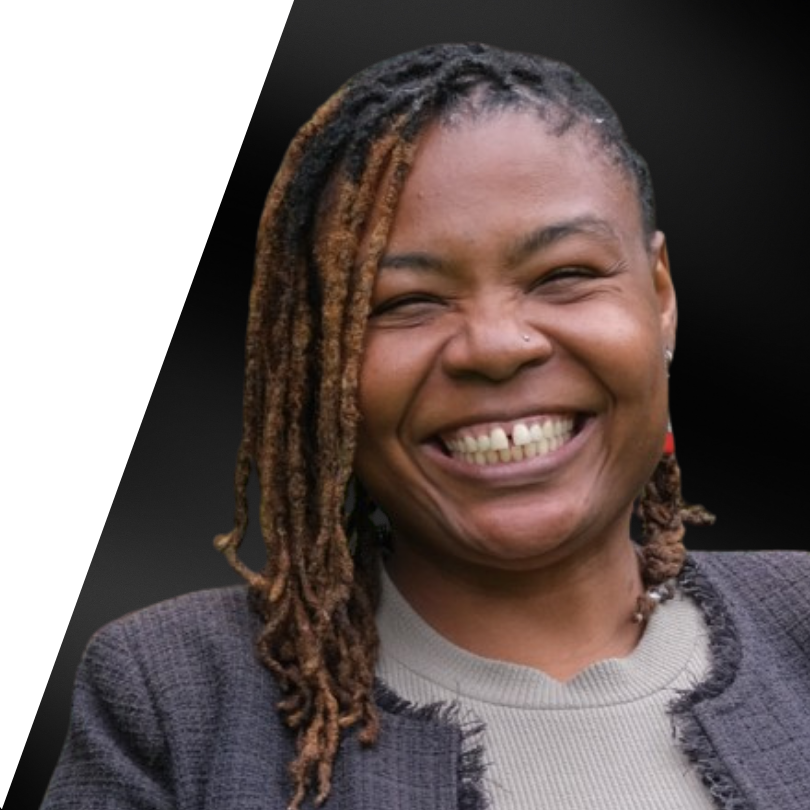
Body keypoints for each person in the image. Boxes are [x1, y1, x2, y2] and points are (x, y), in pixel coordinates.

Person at [41, 42, 810, 810]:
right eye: (405, 302)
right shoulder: (175, 701)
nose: (496, 346)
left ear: (661, 296)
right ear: (318, 358)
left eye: (564, 275)